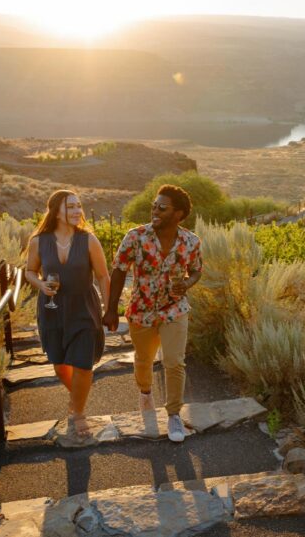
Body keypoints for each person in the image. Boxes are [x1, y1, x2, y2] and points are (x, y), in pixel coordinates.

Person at [103, 184, 202, 443]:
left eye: (162, 207)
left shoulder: (191, 241)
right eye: (153, 206)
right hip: (141, 310)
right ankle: (145, 393)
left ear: (178, 214)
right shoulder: (135, 237)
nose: (154, 211)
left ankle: (173, 415)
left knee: (174, 361)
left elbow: (197, 270)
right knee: (144, 359)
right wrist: (111, 309)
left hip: (175, 310)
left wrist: (187, 284)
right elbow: (119, 270)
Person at [24, 190, 110, 439]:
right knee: (60, 366)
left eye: (78, 206)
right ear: (56, 211)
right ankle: (77, 398)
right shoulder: (39, 241)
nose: (77, 211)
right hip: (52, 309)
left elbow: (104, 276)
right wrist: (40, 285)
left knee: (83, 363)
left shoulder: (89, 240)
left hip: (84, 306)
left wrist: (109, 309)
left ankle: (78, 413)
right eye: (70, 207)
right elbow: (30, 271)